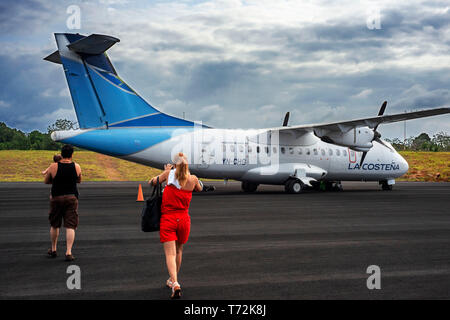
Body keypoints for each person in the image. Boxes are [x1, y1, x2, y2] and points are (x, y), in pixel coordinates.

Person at [149, 152, 202, 299]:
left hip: (169, 219)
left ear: (174, 165)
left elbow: (152, 182)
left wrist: (165, 171)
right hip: (184, 219)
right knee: (179, 251)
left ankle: (175, 283)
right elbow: (200, 188)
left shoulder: (169, 175)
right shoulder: (193, 179)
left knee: (170, 254)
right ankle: (173, 281)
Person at [44, 145, 82, 261]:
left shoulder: (53, 166)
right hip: (71, 197)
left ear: (61, 153)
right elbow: (79, 180)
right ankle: (68, 252)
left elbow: (46, 181)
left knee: (55, 224)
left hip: (56, 197)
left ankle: (54, 249)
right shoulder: (76, 166)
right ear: (72, 154)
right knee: (70, 226)